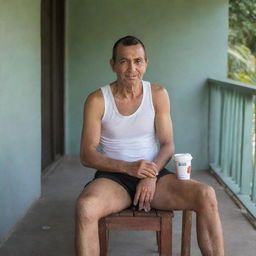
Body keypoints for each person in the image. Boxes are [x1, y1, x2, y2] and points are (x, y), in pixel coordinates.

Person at [75, 35, 224, 256]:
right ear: (113, 64)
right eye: (124, 61)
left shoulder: (157, 95)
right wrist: (129, 168)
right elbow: (87, 154)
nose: (131, 68)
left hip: (155, 175)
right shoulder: (97, 100)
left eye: (138, 61)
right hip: (113, 178)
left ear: (146, 63)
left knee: (206, 195)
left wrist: (150, 175)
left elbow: (167, 144)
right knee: (85, 207)